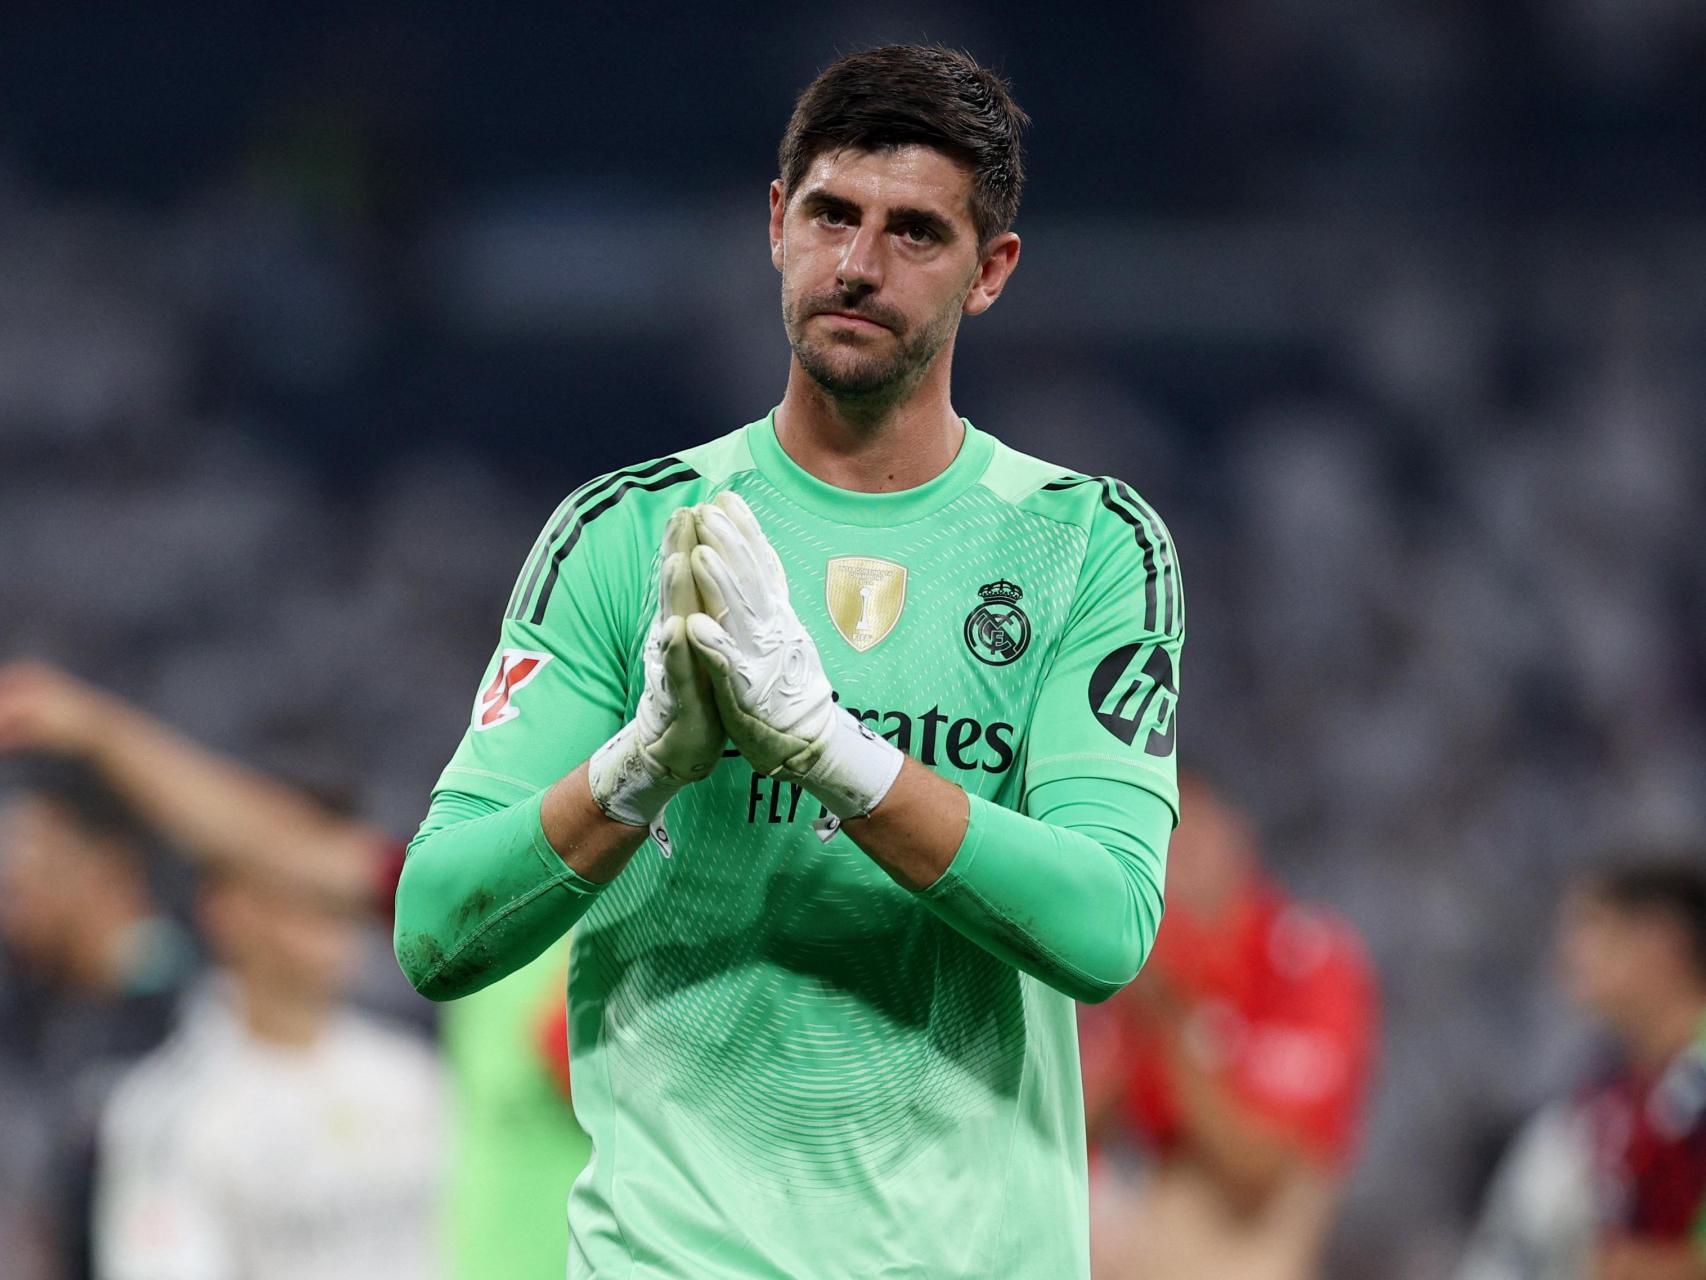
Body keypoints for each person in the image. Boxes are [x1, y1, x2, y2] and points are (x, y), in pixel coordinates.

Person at [394, 43, 1185, 1279]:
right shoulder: (626, 533)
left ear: (990, 271)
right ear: (775, 223)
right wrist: (640, 767)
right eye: (830, 214)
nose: (858, 263)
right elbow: (436, 927)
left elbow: (1105, 926)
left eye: (915, 232)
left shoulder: (1085, 542)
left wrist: (830, 751)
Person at [0, 659, 591, 1280]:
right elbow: (292, 852)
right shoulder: (495, 919)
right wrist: (100, 733)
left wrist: (98, 731)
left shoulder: (413, 1072)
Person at [1081, 771, 1378, 1280]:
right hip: (1152, 1199)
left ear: (1238, 836)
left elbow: (1257, 1169)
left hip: (1250, 1230)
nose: (1181, 859)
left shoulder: (1304, 959)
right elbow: (1068, 1121)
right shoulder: (1146, 952)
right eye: (1164, 842)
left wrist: (1167, 1018)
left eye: (1195, 837)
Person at [93, 859, 444, 1280]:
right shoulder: (164, 1111)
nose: (333, 901)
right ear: (228, 909)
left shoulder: (414, 1075)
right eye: (303, 890)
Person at [1459, 857, 1706, 1280]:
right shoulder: (1611, 1100)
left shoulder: (1686, 1094)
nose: (1567, 955)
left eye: (1592, 926)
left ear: (1661, 942)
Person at [0, 759, 194, 1280]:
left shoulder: (194, 1009)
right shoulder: (32, 1008)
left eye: (30, 875)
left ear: (108, 868)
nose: (13, 905)